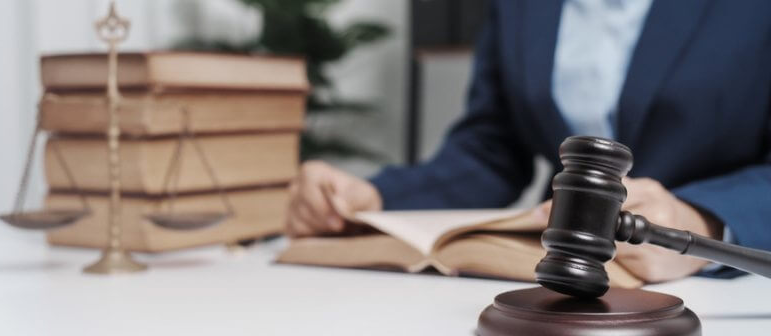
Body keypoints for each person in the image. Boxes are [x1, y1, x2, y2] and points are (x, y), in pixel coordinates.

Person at [284, 0, 771, 283]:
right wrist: (374, 200)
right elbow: (492, 150)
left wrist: (697, 222)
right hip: (551, 281)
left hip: (721, 295)